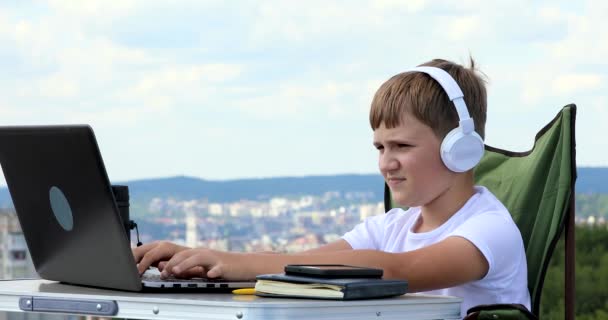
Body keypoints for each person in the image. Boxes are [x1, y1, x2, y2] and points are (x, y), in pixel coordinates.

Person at [133, 58, 531, 317]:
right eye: (380, 147)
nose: (385, 163)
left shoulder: (489, 229)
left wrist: (233, 262)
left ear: (461, 150)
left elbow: (398, 270)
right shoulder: (391, 227)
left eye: (402, 147)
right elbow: (302, 263)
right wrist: (203, 259)